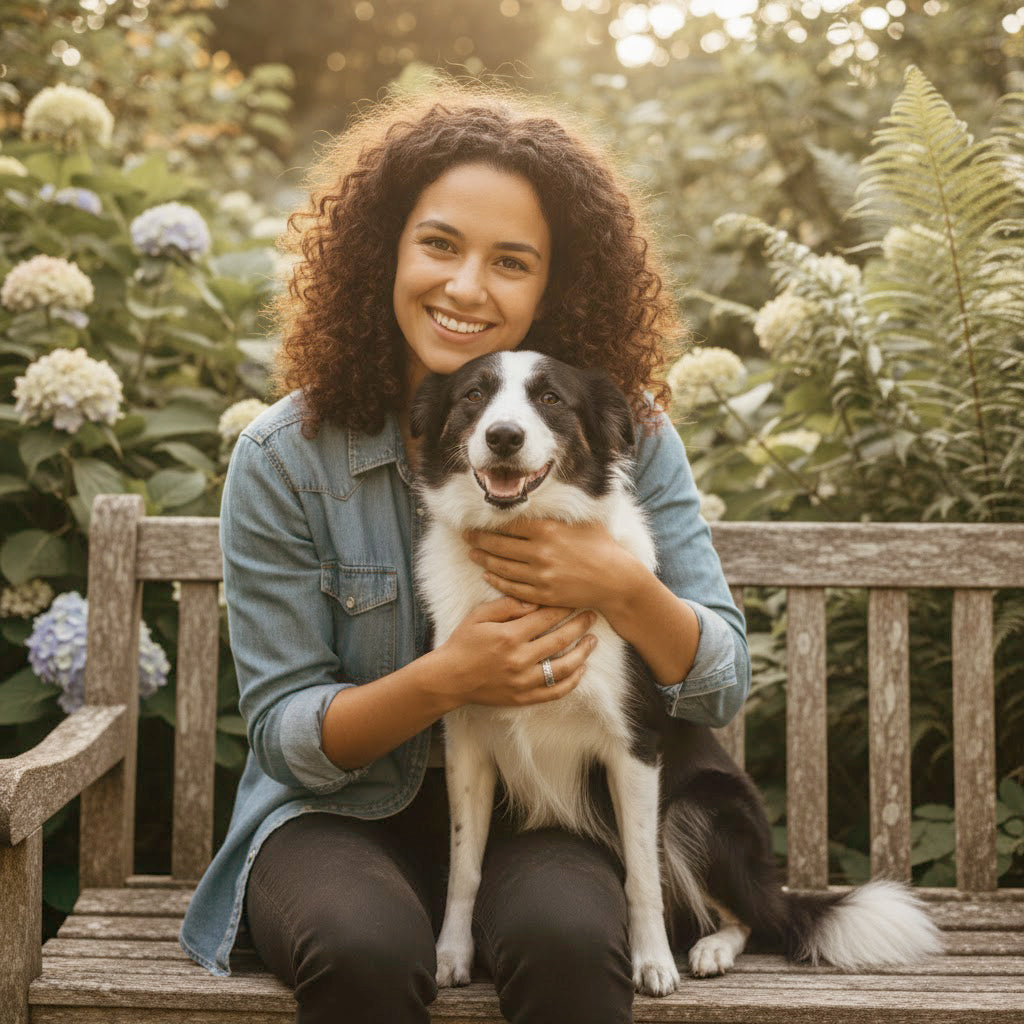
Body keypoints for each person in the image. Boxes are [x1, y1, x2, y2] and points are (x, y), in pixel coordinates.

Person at [179, 80, 750, 1024]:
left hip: (543, 804)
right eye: (439, 244)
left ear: (551, 284)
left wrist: (619, 584)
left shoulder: (622, 435)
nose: (465, 287)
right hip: (338, 815)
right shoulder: (284, 456)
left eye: (511, 262)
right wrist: (448, 679)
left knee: (569, 940)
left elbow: (720, 681)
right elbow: (285, 732)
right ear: (384, 250)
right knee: (364, 948)